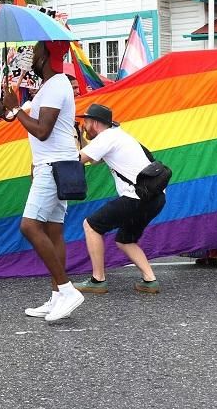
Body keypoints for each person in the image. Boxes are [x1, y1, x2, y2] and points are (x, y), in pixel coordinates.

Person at [6, 41, 85, 322]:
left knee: (29, 226)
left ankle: (67, 290)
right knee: (53, 231)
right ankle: (56, 297)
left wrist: (17, 111)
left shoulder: (57, 84)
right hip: (50, 165)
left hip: (54, 166)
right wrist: (11, 106)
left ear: (46, 56)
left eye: (35, 51)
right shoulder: (48, 87)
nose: (31, 55)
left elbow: (42, 131)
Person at [72, 104, 166, 295]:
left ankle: (97, 280)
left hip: (135, 198)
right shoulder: (117, 135)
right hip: (156, 198)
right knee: (125, 239)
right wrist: (83, 138)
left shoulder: (107, 137)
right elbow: (94, 159)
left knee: (91, 225)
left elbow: (78, 160)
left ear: (96, 123)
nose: (84, 124)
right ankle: (150, 281)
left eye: (86, 121)